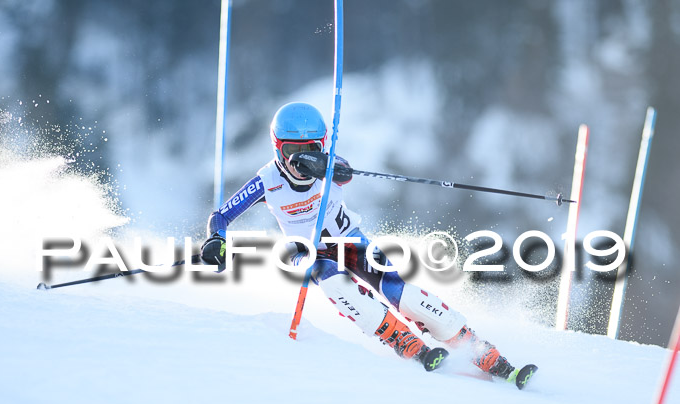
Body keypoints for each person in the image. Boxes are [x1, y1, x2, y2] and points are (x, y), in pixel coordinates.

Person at [201, 102, 536, 387]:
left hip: (350, 242)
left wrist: (324, 165)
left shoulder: (329, 164)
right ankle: (403, 340)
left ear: (323, 144)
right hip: (312, 253)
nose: (299, 163)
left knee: (404, 295)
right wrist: (217, 239)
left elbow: (345, 172)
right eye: (292, 152)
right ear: (277, 148)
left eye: (310, 151)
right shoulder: (267, 181)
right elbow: (222, 215)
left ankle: (481, 351)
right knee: (340, 288)